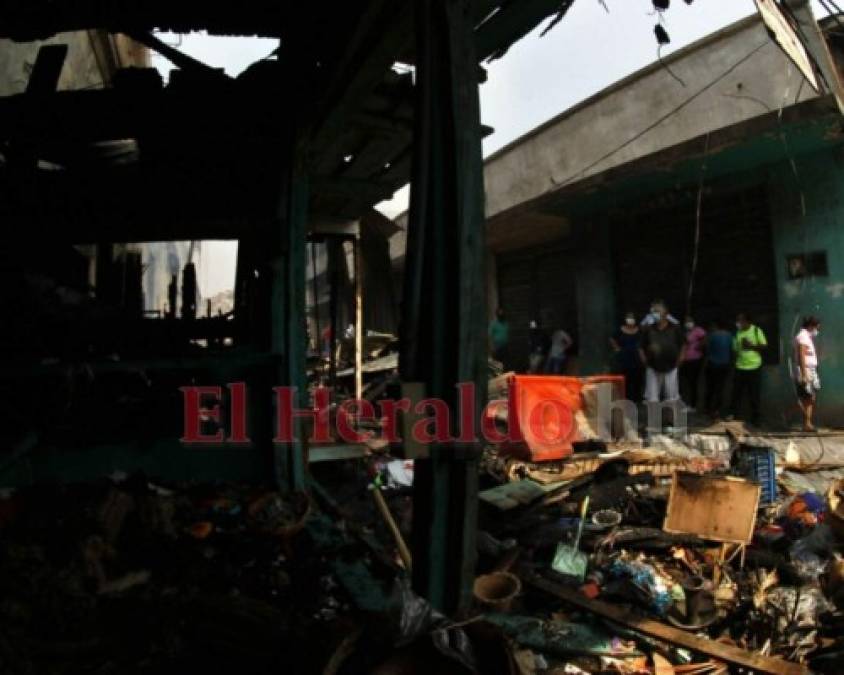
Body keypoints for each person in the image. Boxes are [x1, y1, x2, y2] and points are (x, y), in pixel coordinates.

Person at [639, 302, 685, 403]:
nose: (654, 314)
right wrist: (643, 358)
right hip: (653, 366)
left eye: (657, 311)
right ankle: (654, 418)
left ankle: (670, 418)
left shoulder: (675, 328)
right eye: (653, 312)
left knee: (671, 397)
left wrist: (681, 358)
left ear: (665, 313)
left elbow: (683, 344)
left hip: (671, 366)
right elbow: (641, 346)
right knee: (652, 397)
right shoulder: (649, 329)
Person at [728, 312, 767, 426]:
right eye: (738, 321)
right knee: (736, 393)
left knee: (754, 394)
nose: (738, 323)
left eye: (740, 321)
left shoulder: (756, 331)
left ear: (747, 321)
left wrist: (751, 346)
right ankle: (734, 415)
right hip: (740, 367)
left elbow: (764, 346)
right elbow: (734, 350)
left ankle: (756, 419)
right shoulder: (737, 333)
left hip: (754, 367)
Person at [794, 315, 821, 431]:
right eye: (817, 328)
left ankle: (807, 423)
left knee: (810, 397)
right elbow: (801, 355)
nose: (817, 331)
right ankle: (806, 424)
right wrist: (804, 374)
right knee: (807, 397)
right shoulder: (803, 337)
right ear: (811, 326)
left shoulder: (806, 337)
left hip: (810, 370)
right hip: (806, 371)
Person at [610, 311, 644, 402]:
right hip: (624, 358)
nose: (630, 320)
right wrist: (617, 348)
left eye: (632, 318)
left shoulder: (639, 330)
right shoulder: (620, 330)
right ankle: (626, 398)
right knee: (626, 379)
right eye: (629, 318)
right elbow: (612, 338)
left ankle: (637, 398)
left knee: (637, 378)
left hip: (636, 358)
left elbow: (643, 341)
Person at [704, 320, 732, 419]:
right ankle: (717, 410)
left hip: (712, 365)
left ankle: (707, 409)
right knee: (720, 388)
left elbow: (706, 349)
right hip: (724, 365)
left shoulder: (712, 335)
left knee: (710, 388)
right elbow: (732, 349)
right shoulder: (730, 336)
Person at [680, 316, 706, 411]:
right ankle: (685, 402)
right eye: (686, 321)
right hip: (685, 360)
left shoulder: (698, 330)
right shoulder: (684, 332)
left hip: (695, 360)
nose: (688, 323)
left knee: (693, 382)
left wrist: (699, 346)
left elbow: (705, 338)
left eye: (690, 321)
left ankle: (693, 405)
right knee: (684, 382)